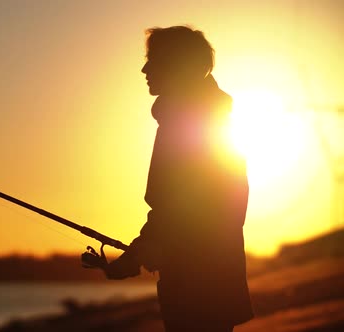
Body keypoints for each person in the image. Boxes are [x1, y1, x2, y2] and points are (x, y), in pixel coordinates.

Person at [103, 26, 253, 332]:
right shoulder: (204, 115)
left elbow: (180, 209)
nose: (145, 68)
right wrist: (144, 251)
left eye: (153, 59)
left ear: (177, 64)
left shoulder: (189, 120)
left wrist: (137, 256)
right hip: (209, 283)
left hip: (197, 287)